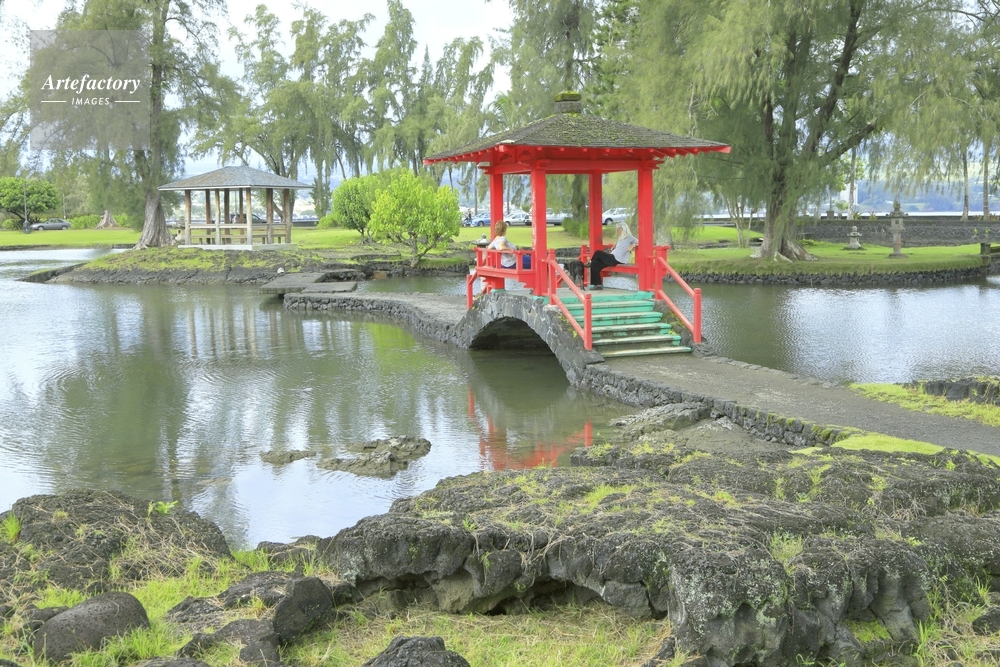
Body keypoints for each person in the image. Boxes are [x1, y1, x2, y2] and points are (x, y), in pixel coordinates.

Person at [588, 221, 638, 289]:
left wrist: (633, 245)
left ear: (623, 229)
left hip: (617, 259)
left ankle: (589, 262)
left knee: (598, 252)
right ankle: (597, 285)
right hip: (612, 257)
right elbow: (622, 245)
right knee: (594, 264)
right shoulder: (620, 237)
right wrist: (616, 245)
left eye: (618, 230)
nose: (617, 231)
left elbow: (639, 242)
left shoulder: (629, 237)